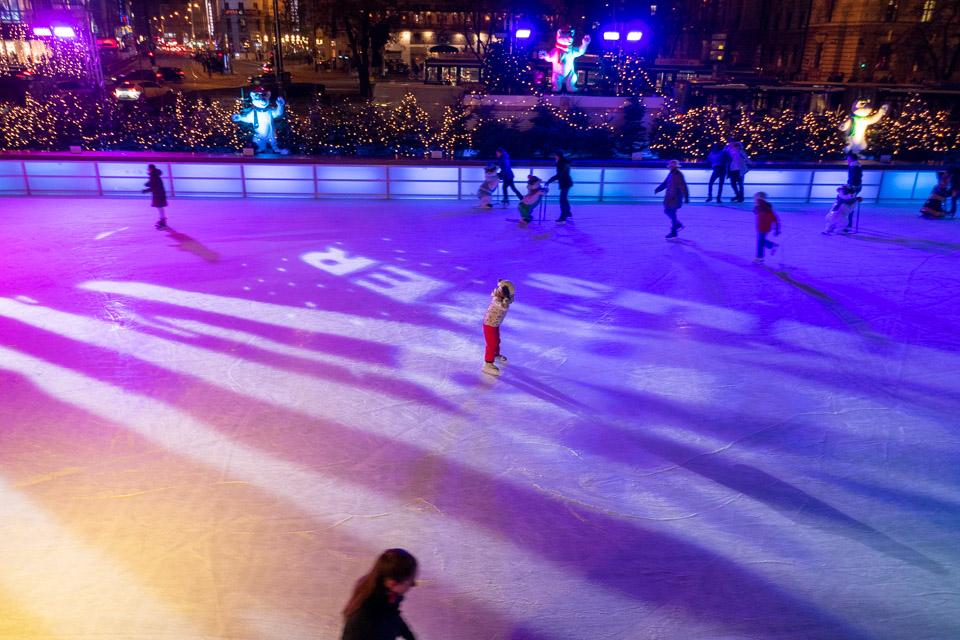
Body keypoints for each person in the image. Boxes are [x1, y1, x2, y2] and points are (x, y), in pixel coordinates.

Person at [341, 549, 418, 640]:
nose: (414, 584)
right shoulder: (370, 619)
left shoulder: (386, 598)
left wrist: (410, 637)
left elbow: (394, 617)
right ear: (393, 584)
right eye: (410, 580)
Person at [482, 279, 515, 377]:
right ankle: (487, 363)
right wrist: (506, 299)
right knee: (491, 343)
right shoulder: (497, 299)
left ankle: (495, 355)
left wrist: (508, 297)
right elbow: (503, 307)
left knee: (497, 340)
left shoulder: (503, 296)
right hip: (489, 324)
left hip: (495, 323)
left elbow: (511, 300)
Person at [654, 159, 689, 238]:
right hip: (669, 197)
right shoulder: (671, 174)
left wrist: (686, 197)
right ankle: (677, 224)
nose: (669, 167)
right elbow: (665, 183)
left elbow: (683, 186)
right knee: (666, 211)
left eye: (671, 166)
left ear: (674, 167)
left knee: (673, 214)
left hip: (675, 198)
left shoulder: (678, 175)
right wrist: (658, 189)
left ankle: (674, 231)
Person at [545, 149, 573, 223]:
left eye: (555, 155)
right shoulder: (564, 162)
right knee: (564, 199)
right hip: (567, 182)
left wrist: (549, 181)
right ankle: (568, 213)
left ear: (557, 156)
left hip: (565, 183)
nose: (555, 157)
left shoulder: (561, 163)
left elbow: (559, 175)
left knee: (562, 200)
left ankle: (563, 217)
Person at [753, 192, 780, 264]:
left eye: (757, 197)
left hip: (764, 227)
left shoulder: (764, 206)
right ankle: (760, 257)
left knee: (760, 242)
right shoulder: (760, 206)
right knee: (760, 242)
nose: (755, 199)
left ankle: (771, 247)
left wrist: (777, 228)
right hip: (761, 226)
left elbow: (773, 217)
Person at [142, 164, 169, 230]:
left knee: (159, 207)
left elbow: (155, 187)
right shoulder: (154, 175)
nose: (148, 171)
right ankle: (162, 220)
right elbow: (153, 184)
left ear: (151, 169)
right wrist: (147, 184)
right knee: (159, 207)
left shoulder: (154, 176)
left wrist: (146, 190)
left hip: (158, 194)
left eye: (149, 169)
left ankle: (163, 221)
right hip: (159, 193)